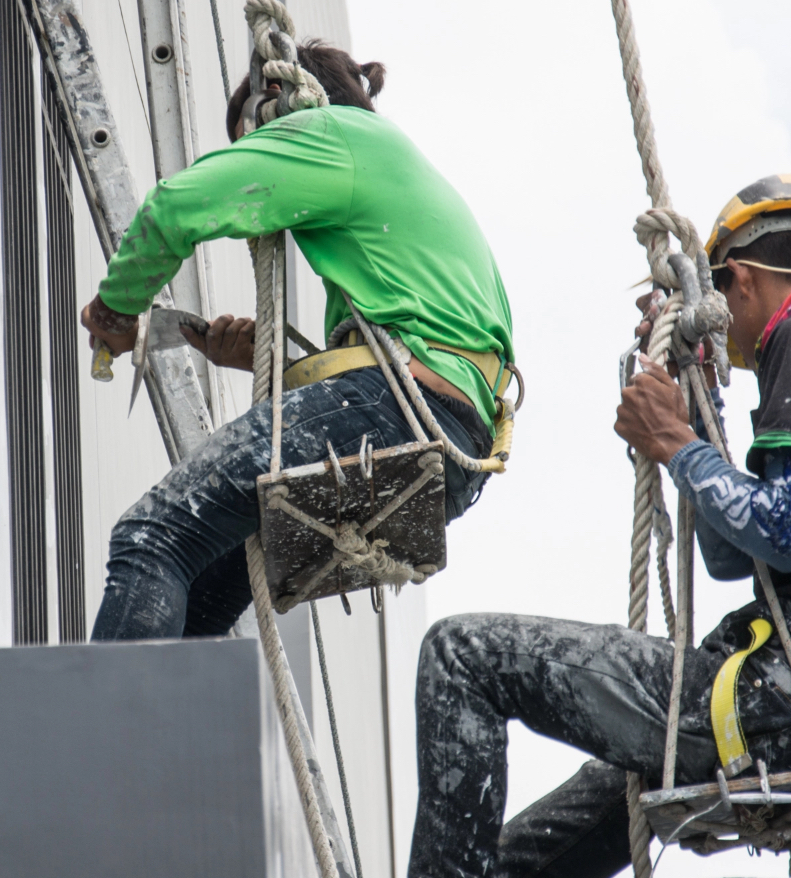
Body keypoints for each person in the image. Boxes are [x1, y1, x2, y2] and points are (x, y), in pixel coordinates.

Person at [336, 175, 791, 878]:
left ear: (736, 280)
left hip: (776, 699)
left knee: (463, 654)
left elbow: (783, 529)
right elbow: (738, 560)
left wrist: (676, 443)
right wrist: (699, 432)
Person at [81, 42, 515, 641]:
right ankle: (175, 727)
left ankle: (106, 735)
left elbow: (176, 207)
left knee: (153, 536)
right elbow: (405, 355)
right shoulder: (400, 176)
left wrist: (115, 309)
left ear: (283, 105)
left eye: (255, 146)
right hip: (452, 441)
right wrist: (271, 363)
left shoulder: (334, 133)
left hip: (403, 408)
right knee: (202, 597)